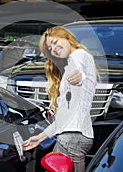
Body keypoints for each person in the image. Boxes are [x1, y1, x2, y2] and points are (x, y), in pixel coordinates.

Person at [22, 26, 97, 172]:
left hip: (71, 139)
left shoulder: (79, 55)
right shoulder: (72, 62)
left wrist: (80, 76)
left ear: (67, 38)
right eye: (50, 48)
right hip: (74, 136)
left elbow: (80, 72)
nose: (54, 49)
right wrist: (41, 137)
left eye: (56, 42)